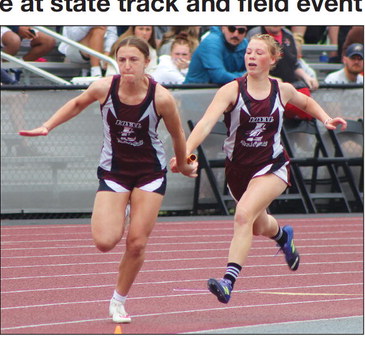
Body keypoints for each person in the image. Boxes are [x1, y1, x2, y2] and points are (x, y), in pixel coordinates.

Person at [19, 36, 197, 322]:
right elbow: (77, 104)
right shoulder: (104, 87)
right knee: (104, 241)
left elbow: (178, 135)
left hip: (149, 173)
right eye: (122, 59)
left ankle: (118, 300)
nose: (127, 66)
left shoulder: (160, 97)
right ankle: (121, 209)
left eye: (133, 60)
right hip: (115, 172)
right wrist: (46, 126)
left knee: (137, 243)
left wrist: (185, 164)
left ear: (147, 63)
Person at [171, 34, 347, 304]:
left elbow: (306, 102)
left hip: (273, 165)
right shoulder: (231, 90)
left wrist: (325, 119)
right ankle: (282, 235)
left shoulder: (281, 89)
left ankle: (228, 281)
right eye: (248, 52)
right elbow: (205, 124)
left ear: (273, 59)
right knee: (256, 225)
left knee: (242, 215)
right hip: (239, 170)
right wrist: (186, 154)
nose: (251, 57)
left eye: (258, 53)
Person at [184, 26, 248, 85]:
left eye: (241, 31)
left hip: (223, 89)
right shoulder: (211, 42)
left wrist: (248, 76)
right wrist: (247, 77)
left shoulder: (245, 43)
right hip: (196, 90)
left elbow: (255, 72)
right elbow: (219, 77)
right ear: (223, 28)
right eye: (231, 29)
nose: (235, 34)